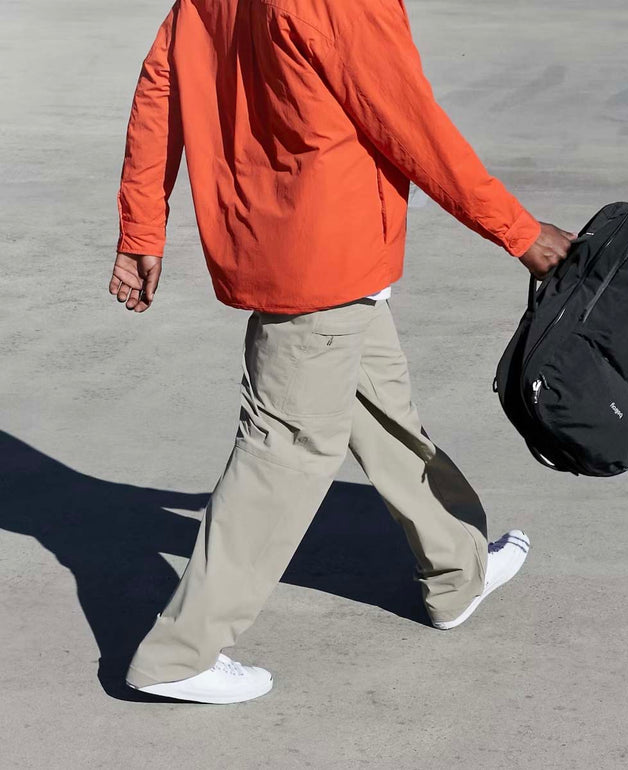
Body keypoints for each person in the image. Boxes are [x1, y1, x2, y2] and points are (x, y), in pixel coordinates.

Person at [108, 0, 575, 704]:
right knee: (288, 449)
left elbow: (161, 87)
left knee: (378, 408)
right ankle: (180, 654)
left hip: (288, 242)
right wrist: (519, 232)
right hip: (323, 253)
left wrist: (142, 229)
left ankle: (457, 573)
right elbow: (411, 124)